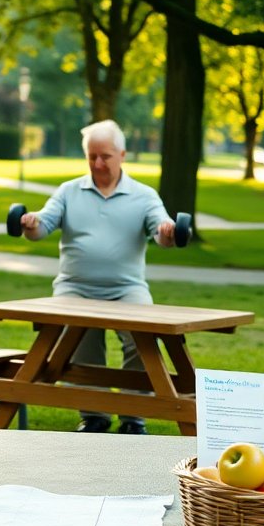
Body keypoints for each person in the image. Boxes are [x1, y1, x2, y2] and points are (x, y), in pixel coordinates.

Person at [18, 121, 177, 435]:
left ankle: (133, 416)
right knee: (79, 340)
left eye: (105, 156)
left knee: (144, 339)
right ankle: (94, 415)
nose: (98, 164)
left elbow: (162, 232)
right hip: (75, 288)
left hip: (127, 288)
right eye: (92, 157)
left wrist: (168, 232)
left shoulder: (144, 195)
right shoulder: (69, 191)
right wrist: (29, 223)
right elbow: (41, 227)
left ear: (122, 154)